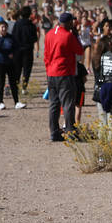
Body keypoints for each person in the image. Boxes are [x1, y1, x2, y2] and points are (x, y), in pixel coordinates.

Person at [44, 12, 82, 142]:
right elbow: (80, 51)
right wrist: (75, 34)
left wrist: (48, 70)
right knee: (68, 104)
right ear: (68, 23)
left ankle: (54, 132)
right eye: (72, 22)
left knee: (54, 104)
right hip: (65, 73)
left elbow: (46, 55)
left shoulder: (49, 34)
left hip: (51, 73)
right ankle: (70, 131)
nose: (73, 24)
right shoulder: (68, 36)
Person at [0, 20, 23, 110]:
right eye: (2, 27)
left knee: (13, 83)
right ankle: (1, 102)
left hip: (10, 63)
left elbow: (16, 47)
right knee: (1, 83)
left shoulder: (11, 37)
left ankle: (17, 102)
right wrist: (1, 38)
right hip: (0, 62)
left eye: (5, 27)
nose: (4, 29)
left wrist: (13, 53)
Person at [10, 5, 39, 92]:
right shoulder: (31, 25)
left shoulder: (17, 24)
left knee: (17, 69)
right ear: (29, 14)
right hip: (28, 50)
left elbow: (13, 36)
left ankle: (16, 86)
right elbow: (35, 38)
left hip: (17, 50)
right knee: (27, 69)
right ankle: (24, 87)